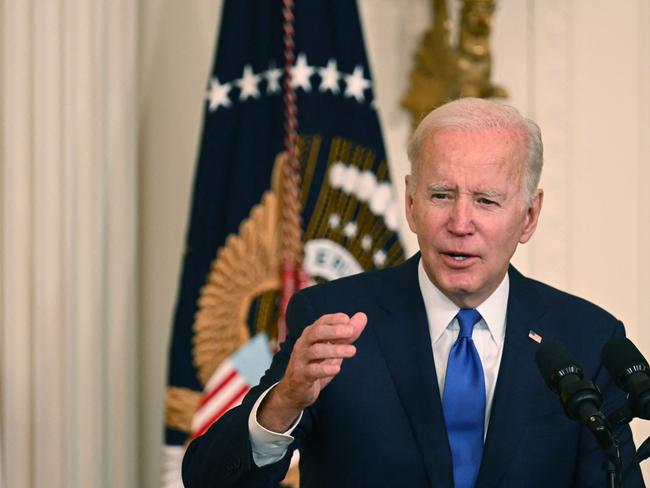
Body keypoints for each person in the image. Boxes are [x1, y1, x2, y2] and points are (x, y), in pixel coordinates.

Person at [182, 98, 645, 487]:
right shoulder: (331, 320)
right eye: (441, 195)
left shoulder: (586, 338)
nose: (460, 224)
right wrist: (285, 401)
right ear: (410, 202)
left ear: (528, 215)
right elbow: (208, 479)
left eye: (486, 201)